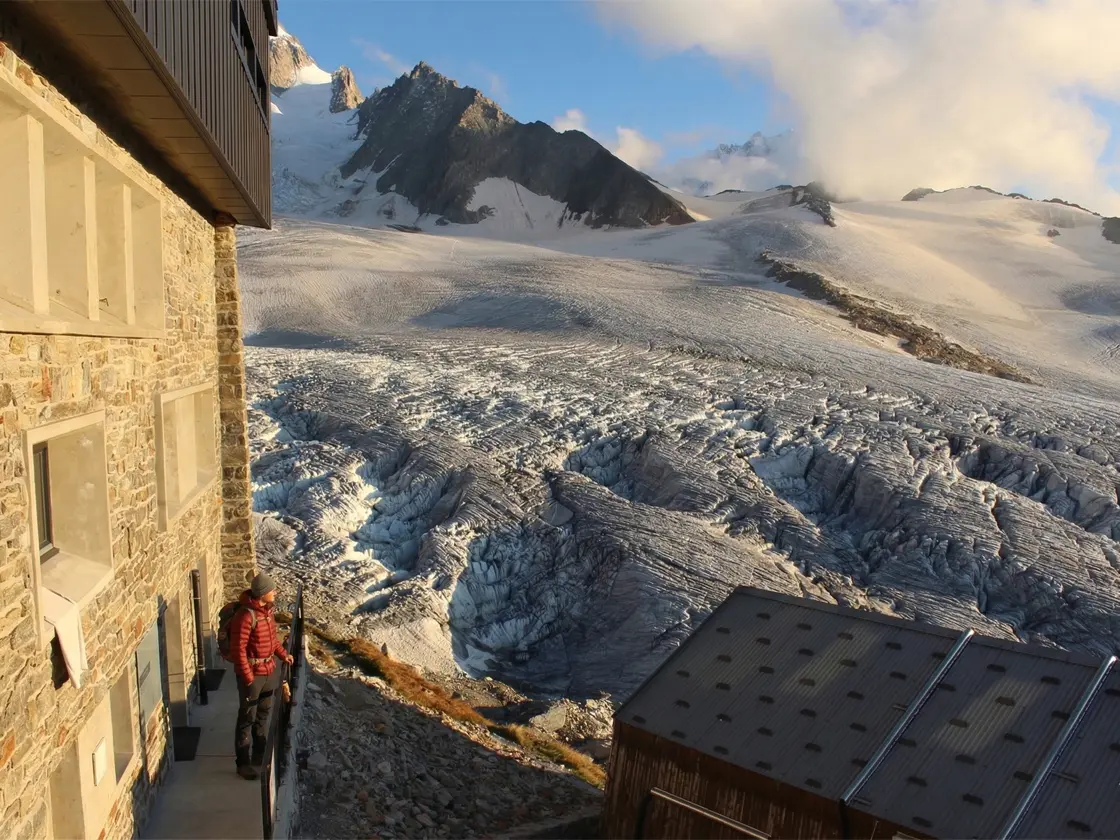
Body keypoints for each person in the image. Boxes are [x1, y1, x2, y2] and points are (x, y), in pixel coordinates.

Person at [230, 572, 293, 780]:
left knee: (264, 713)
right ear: (262, 593)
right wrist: (248, 677)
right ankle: (243, 763)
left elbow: (273, 640)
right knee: (247, 717)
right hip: (254, 675)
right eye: (271, 590)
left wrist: (284, 655)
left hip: (268, 671)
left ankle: (260, 755)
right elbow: (238, 649)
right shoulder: (246, 616)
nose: (275, 592)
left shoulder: (267, 613)